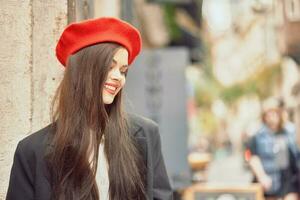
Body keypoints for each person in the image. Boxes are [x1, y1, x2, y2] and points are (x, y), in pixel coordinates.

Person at [6, 17, 173, 200]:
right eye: (110, 67)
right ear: (83, 71)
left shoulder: (146, 136)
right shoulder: (31, 151)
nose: (119, 77)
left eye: (123, 70)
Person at [248, 98, 299, 200]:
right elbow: (253, 158)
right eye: (269, 114)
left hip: (288, 181)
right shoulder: (258, 135)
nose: (272, 117)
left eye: (275, 113)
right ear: (264, 117)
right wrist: (262, 176)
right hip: (268, 182)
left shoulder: (289, 131)